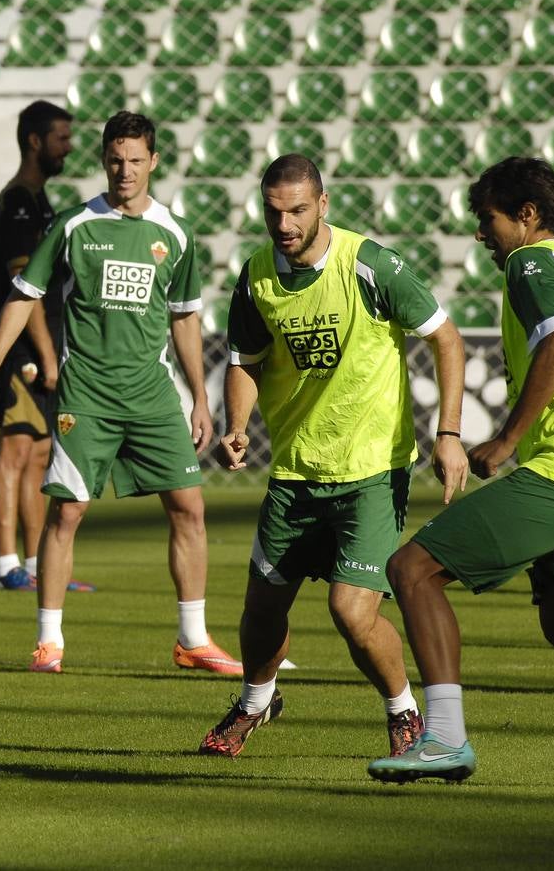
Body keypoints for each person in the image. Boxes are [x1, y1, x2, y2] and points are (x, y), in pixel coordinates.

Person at [368, 157, 554, 784]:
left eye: (487, 218)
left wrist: (505, 438)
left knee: (411, 571)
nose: (481, 234)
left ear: (527, 216)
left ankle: (443, 739)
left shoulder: (533, 262)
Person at [196, 154, 468, 760]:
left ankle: (404, 713)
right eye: (273, 212)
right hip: (296, 472)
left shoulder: (370, 265)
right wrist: (237, 422)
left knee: (350, 609)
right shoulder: (257, 273)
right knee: (261, 608)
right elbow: (245, 359)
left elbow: (445, 337)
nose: (284, 223)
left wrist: (448, 432)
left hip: (372, 471)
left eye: (297, 210)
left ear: (322, 204)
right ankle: (256, 700)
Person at [0, 111, 239, 676]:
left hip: (151, 395)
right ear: (104, 160)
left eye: (136, 160)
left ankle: (193, 637)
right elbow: (24, 296)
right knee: (66, 513)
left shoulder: (177, 234)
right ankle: (49, 642)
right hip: (86, 396)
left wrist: (199, 395)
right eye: (116, 160)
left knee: (189, 508)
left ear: (153, 162)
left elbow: (185, 319)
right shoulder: (72, 226)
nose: (125, 171)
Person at [0, 100, 91, 593]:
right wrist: (47, 355)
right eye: (61, 138)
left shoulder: (39, 200)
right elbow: (25, 287)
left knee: (38, 453)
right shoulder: (18, 203)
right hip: (24, 353)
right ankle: (7, 564)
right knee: (15, 450)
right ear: (35, 141)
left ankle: (33, 561)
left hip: (46, 347)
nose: (68, 146)